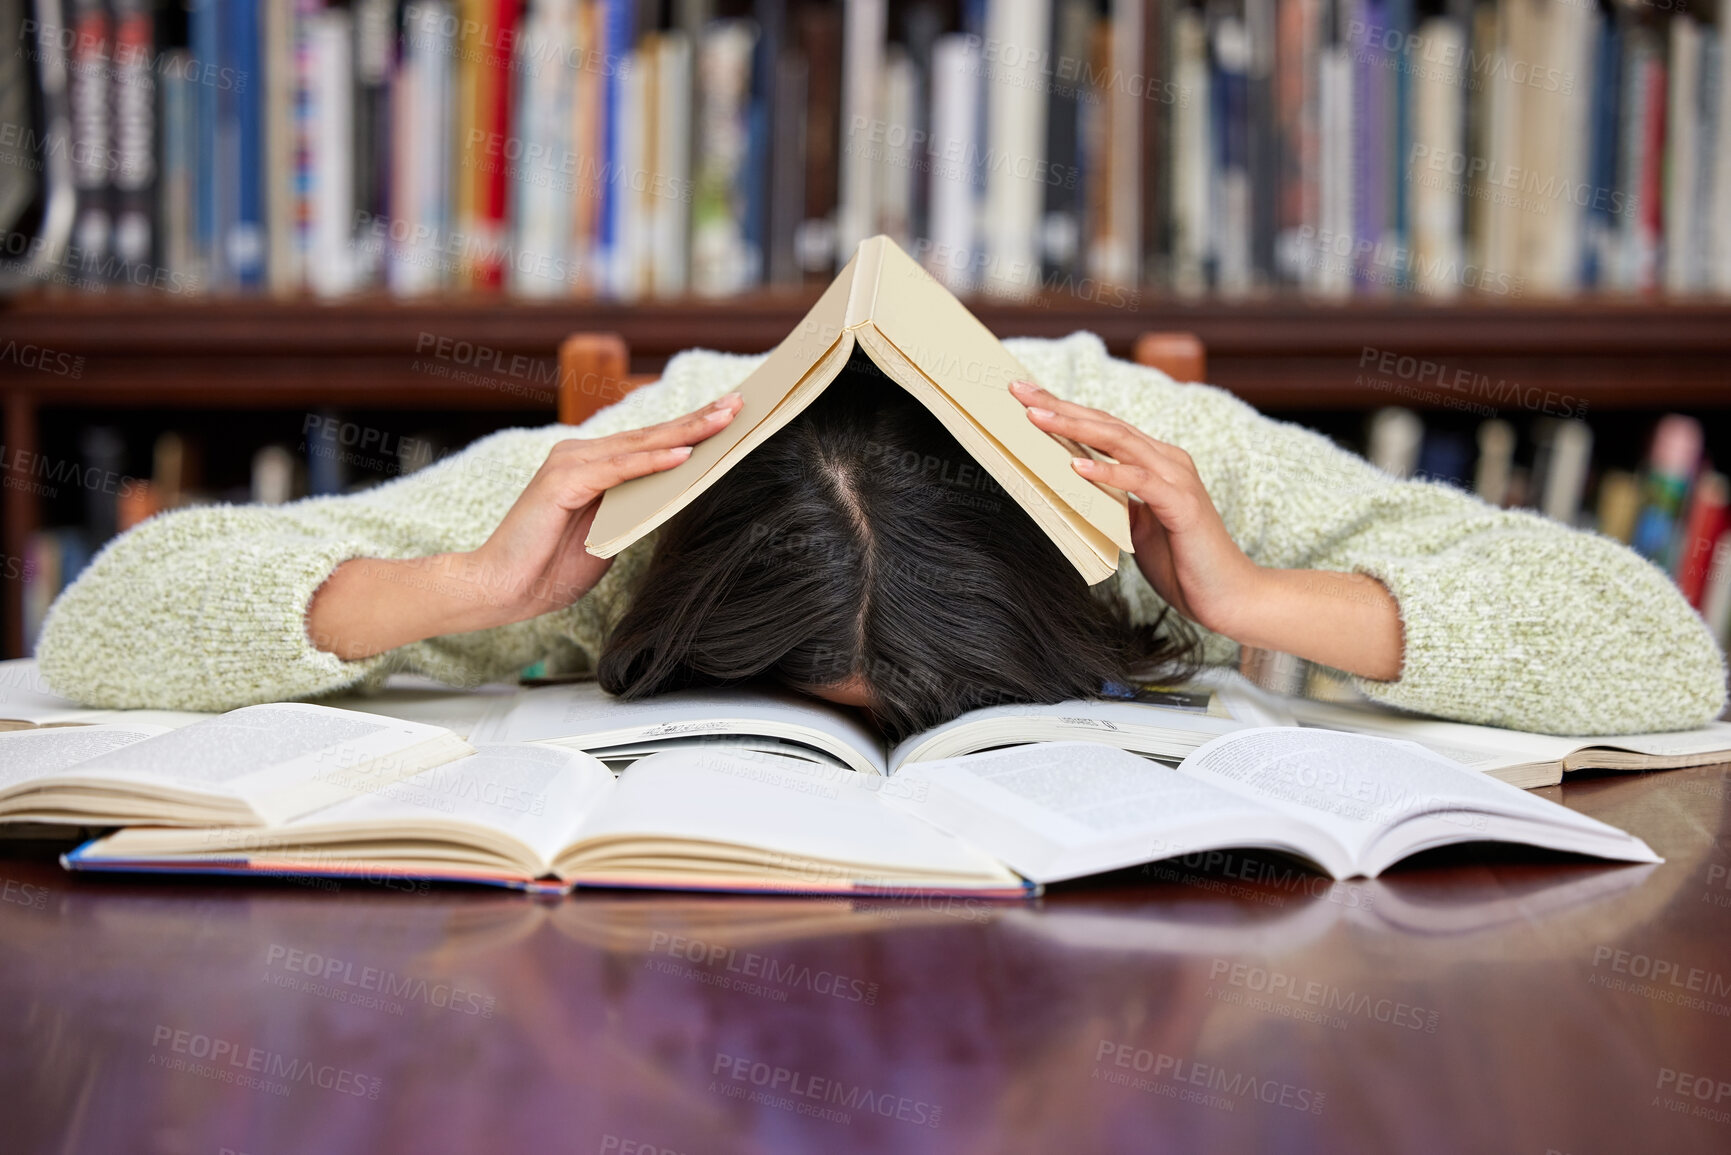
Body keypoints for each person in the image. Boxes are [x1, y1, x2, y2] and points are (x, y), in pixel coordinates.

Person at [35, 331, 1726, 739]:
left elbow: (1656, 648)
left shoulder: (1147, 463)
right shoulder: (614, 501)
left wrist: (1251, 588)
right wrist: (467, 584)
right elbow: (108, 622)